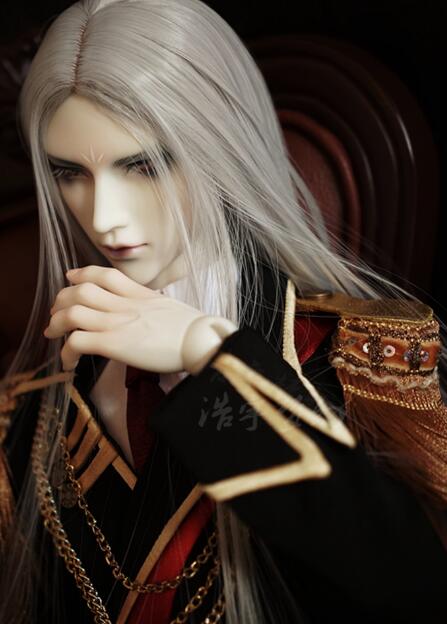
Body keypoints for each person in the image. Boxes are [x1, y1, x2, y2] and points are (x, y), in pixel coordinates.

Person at [1, 0, 446, 622]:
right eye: (70, 173)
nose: (104, 217)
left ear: (220, 146)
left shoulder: (367, 365)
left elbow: (417, 583)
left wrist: (210, 355)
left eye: (145, 165)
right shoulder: (26, 416)